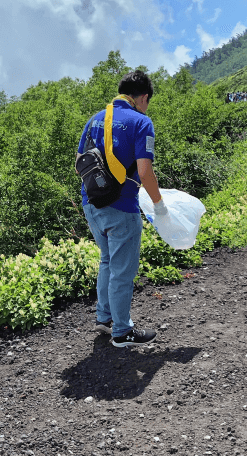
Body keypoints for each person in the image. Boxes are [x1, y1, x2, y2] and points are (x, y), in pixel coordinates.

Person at [77, 69, 161, 347]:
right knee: (123, 271)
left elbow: (80, 161)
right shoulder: (141, 122)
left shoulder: (94, 120)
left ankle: (105, 319)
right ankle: (123, 332)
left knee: (107, 261)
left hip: (91, 204)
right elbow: (145, 172)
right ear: (143, 97)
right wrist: (158, 205)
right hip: (121, 207)